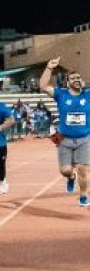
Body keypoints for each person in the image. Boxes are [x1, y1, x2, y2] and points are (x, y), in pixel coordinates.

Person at [39, 58, 89, 206]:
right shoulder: (61, 94)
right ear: (67, 82)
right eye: (73, 78)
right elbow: (42, 86)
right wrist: (49, 68)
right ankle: (70, 178)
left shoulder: (88, 95)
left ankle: (83, 196)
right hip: (64, 139)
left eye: (78, 77)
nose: (76, 80)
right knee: (65, 170)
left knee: (83, 170)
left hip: (85, 139)